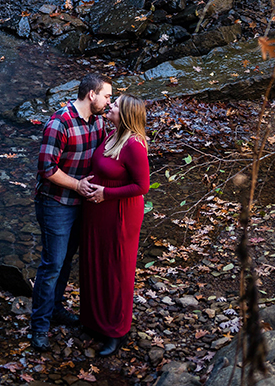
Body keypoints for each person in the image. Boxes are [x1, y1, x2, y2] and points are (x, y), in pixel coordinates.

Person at [31, 70, 112, 353]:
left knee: (65, 262)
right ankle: (39, 327)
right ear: (92, 95)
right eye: (107, 96)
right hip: (56, 203)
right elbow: (47, 169)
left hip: (83, 203)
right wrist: (78, 185)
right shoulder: (59, 123)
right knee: (52, 263)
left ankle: (54, 309)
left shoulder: (99, 122)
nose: (109, 102)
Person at [79, 93, 150, 356]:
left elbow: (143, 186)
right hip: (98, 211)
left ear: (127, 114)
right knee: (94, 262)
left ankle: (116, 331)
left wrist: (106, 194)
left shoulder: (134, 145)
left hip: (120, 213)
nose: (110, 105)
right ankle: (94, 321)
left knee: (117, 269)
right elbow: (103, 167)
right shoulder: (111, 134)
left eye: (116, 105)